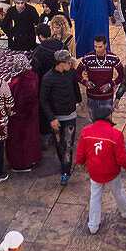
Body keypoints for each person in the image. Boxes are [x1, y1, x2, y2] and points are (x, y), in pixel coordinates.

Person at [75, 104, 126, 234]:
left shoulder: (86, 131)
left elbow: (80, 153)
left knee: (95, 197)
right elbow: (122, 158)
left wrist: (80, 162)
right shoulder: (115, 134)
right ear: (108, 116)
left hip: (94, 172)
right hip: (112, 172)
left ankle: (93, 226)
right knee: (118, 191)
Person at [39, 48, 81, 183]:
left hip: (70, 115)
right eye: (69, 63)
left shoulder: (71, 73)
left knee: (68, 144)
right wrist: (51, 118)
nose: (71, 65)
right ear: (61, 63)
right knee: (59, 145)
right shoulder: (48, 78)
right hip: (56, 118)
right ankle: (64, 164)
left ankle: (65, 171)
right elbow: (43, 100)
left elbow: (75, 87)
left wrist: (79, 100)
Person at [5, 53, 42, 172]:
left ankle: (20, 163)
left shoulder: (18, 81)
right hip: (32, 113)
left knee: (18, 139)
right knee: (31, 137)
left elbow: (15, 100)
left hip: (20, 116)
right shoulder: (33, 76)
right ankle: (31, 159)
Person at [76, 33, 123, 121]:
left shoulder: (113, 58)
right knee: (94, 121)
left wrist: (111, 85)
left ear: (105, 45)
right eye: (95, 46)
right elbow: (77, 73)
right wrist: (85, 82)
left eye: (100, 47)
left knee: (107, 123)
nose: (97, 49)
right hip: (92, 96)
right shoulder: (88, 58)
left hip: (107, 97)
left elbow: (122, 75)